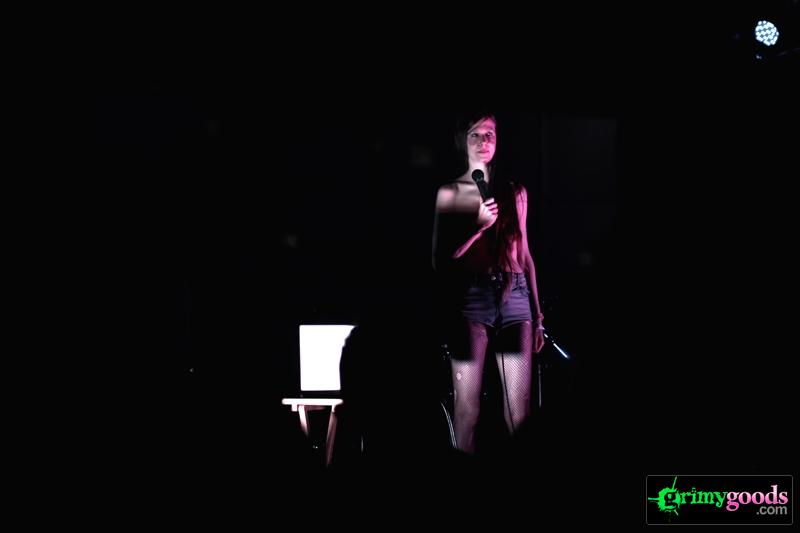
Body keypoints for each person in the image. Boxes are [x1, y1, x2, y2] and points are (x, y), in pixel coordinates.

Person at [432, 112, 545, 454]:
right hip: (474, 299)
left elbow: (525, 255)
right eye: (476, 134)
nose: (484, 142)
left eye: (490, 134)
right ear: (463, 141)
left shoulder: (515, 191)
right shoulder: (450, 193)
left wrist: (538, 315)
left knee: (518, 410)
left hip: (515, 296)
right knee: (467, 407)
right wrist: (477, 227)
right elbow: (441, 259)